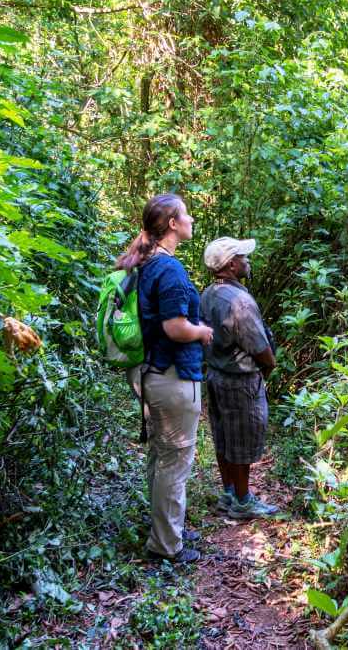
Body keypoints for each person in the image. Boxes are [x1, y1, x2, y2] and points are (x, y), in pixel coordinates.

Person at [116, 193, 213, 563]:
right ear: (172, 224)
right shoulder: (169, 269)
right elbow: (175, 328)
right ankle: (166, 545)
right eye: (186, 215)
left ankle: (166, 528)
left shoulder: (147, 265)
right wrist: (202, 332)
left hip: (152, 374)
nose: (191, 220)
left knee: (161, 456)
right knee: (175, 460)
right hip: (172, 376)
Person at [200, 237, 280, 520]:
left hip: (216, 375)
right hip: (239, 380)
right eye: (243, 257)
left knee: (224, 436)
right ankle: (243, 502)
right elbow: (259, 347)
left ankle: (230, 493)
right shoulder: (239, 302)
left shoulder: (208, 293)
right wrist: (270, 364)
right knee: (243, 439)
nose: (248, 261)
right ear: (232, 265)